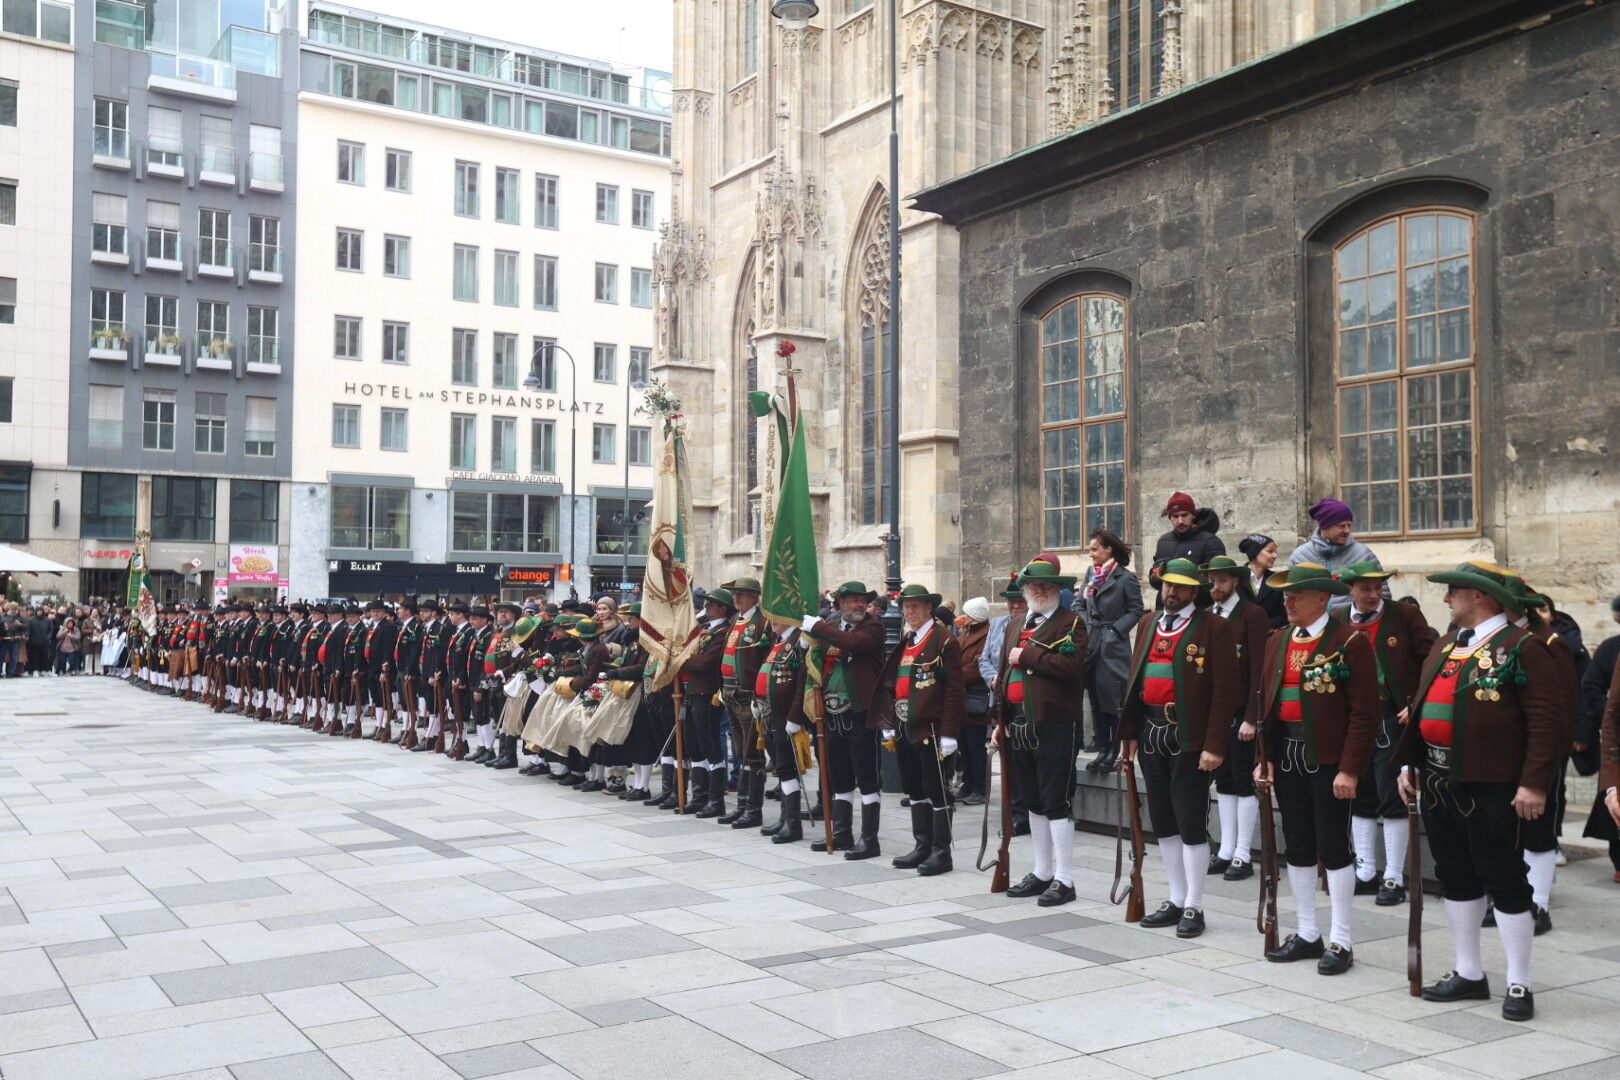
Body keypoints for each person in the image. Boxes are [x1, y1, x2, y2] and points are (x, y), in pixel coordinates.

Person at [1394, 561, 1563, 1021]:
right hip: (1436, 779)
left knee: (1505, 878)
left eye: (1454, 592)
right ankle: (1469, 972)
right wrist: (1410, 763)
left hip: (1493, 785)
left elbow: (1547, 722)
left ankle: (1519, 981)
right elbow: (1421, 704)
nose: (1447, 599)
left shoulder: (1522, 647)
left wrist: (1533, 782)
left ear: (1480, 597)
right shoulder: (1447, 644)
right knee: (1456, 876)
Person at [1251, 562, 1380, 975]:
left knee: (1334, 849)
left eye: (1295, 594)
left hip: (1328, 761)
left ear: (1321, 598)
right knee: (1299, 845)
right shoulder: (1279, 639)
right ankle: (1308, 933)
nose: (1286, 601)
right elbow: (1265, 702)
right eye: (1285, 594)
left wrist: (1350, 769)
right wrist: (1263, 757)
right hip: (1286, 756)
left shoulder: (1350, 642)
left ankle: (1341, 939)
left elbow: (1364, 712)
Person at [1117, 558, 1239, 937]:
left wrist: (1215, 745)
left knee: (1190, 823)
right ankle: (1175, 897)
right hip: (1150, 732)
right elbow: (1135, 679)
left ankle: (1195, 906)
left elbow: (1225, 692)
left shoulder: (1216, 628)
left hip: (1188, 738)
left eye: (1181, 587)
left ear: (1195, 591)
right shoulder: (1148, 622)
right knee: (1163, 821)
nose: (1172, 592)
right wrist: (1130, 733)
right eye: (1168, 585)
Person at [1339, 561, 1437, 906]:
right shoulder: (1339, 621)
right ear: (1350, 589)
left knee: (1394, 796)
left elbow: (1434, 658)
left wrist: (1418, 703)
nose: (1372, 593)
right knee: (1359, 793)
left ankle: (1394, 877)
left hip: (1393, 718)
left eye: (1377, 587)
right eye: (1365, 587)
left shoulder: (1405, 615)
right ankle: (1365, 871)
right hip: (1353, 721)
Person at [994, 560, 1088, 907]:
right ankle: (1042, 870)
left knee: (1055, 801)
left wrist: (1029, 655)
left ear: (1056, 590)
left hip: (1056, 724)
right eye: (1033, 586)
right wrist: (999, 721)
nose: (1038, 591)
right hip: (1018, 724)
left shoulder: (1072, 622)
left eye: (1045, 586)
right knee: (1032, 800)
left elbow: (1071, 666)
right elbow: (1004, 674)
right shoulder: (1016, 622)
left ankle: (1065, 879)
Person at [875, 583, 966, 877]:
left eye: (915, 606)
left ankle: (941, 852)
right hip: (904, 725)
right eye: (906, 606)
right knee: (914, 786)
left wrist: (949, 733)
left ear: (928, 608)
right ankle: (922, 845)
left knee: (937, 789)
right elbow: (894, 683)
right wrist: (888, 723)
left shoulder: (943, 641)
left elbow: (954, 690)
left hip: (931, 727)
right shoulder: (909, 638)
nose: (909, 611)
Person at [1510, 581, 1581, 933]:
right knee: (1512, 829)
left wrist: (1556, 752)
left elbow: (1564, 702)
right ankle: (1512, 899)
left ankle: (1538, 904)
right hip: (1509, 751)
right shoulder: (1505, 639)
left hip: (1542, 750)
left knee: (1538, 828)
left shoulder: (1551, 642)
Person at [801, 582, 887, 855]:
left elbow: (853, 644)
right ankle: (841, 833)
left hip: (860, 715)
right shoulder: (834, 626)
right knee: (838, 776)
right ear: (839, 603)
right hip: (832, 715)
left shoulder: (873, 627)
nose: (859, 605)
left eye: (862, 600)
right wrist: (806, 641)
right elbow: (816, 657)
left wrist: (817, 627)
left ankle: (870, 839)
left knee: (867, 777)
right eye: (851, 600)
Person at [1203, 555, 1273, 881]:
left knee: (1245, 782)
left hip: (1242, 713)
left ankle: (1244, 853)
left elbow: (1259, 669)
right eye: (1212, 581)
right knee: (1225, 780)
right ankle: (1226, 849)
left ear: (1235, 582)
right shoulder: (1207, 616)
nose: (1216, 587)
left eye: (1222, 581)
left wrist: (1252, 716)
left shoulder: (1251, 615)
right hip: (1217, 713)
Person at [1081, 529, 1143, 773]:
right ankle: (1102, 748)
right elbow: (1079, 604)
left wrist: (1115, 631)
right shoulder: (1090, 575)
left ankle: (1115, 750)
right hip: (1091, 644)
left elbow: (1136, 610)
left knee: (1112, 701)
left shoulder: (1125, 578)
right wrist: (1086, 625)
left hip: (1112, 646)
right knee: (1095, 699)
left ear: (1109, 549)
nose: (1090, 554)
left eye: (1094, 549)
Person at [980, 573, 1032, 836]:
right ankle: (1014, 812)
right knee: (1007, 759)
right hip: (1000, 699)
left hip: (1024, 701)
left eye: (1019, 601)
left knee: (1024, 763)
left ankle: (1026, 813)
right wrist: (993, 678)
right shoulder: (998, 624)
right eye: (1011, 602)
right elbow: (984, 659)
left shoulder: (1032, 624)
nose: (1015, 607)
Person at [716, 577, 769, 826]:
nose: (736, 598)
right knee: (739, 751)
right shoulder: (735, 621)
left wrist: (760, 695)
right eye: (735, 594)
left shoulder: (761, 622)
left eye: (742, 594)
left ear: (754, 596)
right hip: (728, 692)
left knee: (752, 753)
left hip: (747, 695)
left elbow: (764, 658)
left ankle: (753, 808)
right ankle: (742, 804)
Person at [1286, 498, 1388, 614]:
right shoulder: (1300, 556)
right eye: (1341, 526)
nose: (1347, 530)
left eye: (1349, 525)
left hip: (1353, 624)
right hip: (1313, 624)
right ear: (1325, 526)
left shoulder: (1363, 554)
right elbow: (1289, 594)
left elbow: (1383, 592)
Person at [954, 597, 992, 805]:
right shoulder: (966, 631)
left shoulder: (985, 635)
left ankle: (979, 788)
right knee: (965, 745)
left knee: (975, 745)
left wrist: (954, 675)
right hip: (962, 695)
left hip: (974, 695)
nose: (964, 616)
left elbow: (978, 667)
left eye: (968, 614)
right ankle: (968, 784)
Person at [1151, 492, 1225, 584]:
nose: (1180, 521)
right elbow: (1157, 584)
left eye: (1184, 515)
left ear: (1193, 515)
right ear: (1170, 517)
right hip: (1166, 598)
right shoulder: (1163, 542)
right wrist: (1155, 574)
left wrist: (1185, 579)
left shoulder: (1211, 542)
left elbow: (1218, 581)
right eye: (1175, 516)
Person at [1238, 534, 1286, 628]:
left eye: (1275, 552)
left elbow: (1282, 616)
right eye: (1270, 551)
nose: (1275, 556)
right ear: (1255, 553)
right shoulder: (1237, 578)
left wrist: (1263, 627)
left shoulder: (1275, 580)